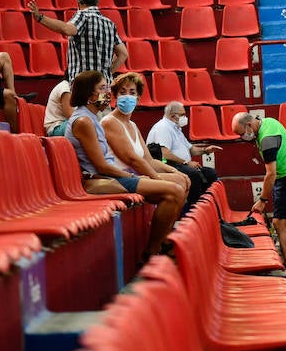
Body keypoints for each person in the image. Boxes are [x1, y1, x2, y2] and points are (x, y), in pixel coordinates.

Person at [65, 70, 186, 259]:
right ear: (90, 94)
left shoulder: (90, 118)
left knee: (178, 185)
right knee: (174, 191)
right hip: (99, 180)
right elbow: (102, 166)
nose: (107, 93)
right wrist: (133, 177)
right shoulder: (83, 121)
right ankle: (152, 251)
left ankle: (161, 243)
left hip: (109, 177)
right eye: (102, 88)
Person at [100, 72, 191, 203]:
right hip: (121, 178)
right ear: (116, 96)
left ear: (138, 98)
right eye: (123, 92)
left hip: (138, 175)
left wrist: (174, 171)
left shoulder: (133, 125)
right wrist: (157, 178)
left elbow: (149, 160)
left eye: (132, 92)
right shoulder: (110, 122)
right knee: (175, 188)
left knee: (182, 179)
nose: (127, 96)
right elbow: (133, 160)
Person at [232, 110, 286, 268]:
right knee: (279, 222)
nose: (242, 138)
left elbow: (271, 174)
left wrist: (262, 200)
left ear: (249, 125)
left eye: (242, 134)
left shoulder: (267, 140)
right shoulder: (268, 122)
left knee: (280, 223)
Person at [29, 0, 128, 80]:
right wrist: (107, 73)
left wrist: (40, 18)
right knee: (103, 97)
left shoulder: (82, 16)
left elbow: (66, 29)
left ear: (78, 0)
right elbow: (123, 54)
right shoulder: (110, 23)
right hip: (104, 86)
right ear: (97, 1)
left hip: (83, 83)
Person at [145, 101, 221, 208]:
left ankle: (207, 209)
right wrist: (186, 162)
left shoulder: (176, 128)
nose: (185, 117)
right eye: (182, 115)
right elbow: (164, 153)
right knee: (193, 174)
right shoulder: (163, 128)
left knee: (210, 173)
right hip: (168, 165)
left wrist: (205, 150)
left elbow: (191, 149)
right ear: (172, 116)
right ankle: (193, 209)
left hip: (182, 164)